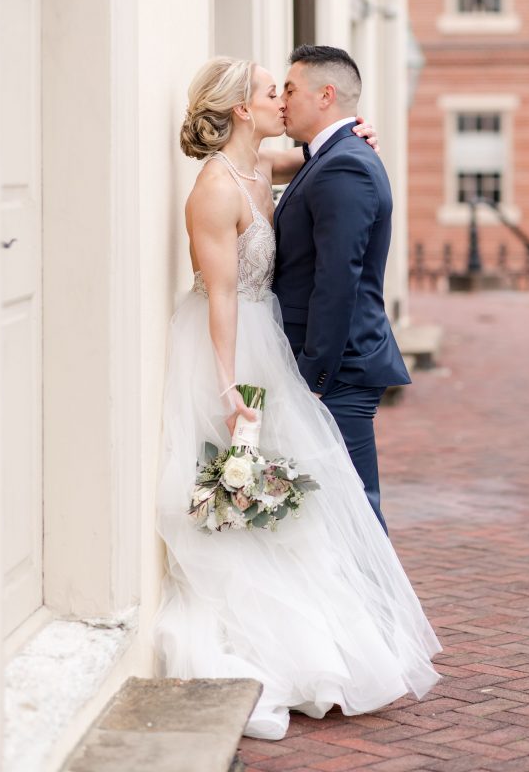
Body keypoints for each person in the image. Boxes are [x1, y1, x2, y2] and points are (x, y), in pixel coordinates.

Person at [153, 56, 441, 741]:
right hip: (232, 345)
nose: (279, 97)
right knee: (243, 490)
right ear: (242, 111)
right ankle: (271, 629)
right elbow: (221, 292)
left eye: (286, 88)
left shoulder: (263, 167)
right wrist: (228, 382)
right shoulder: (216, 189)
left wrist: (350, 134)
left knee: (296, 493)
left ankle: (335, 629)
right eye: (267, 90)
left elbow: (307, 161)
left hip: (273, 343)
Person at [274, 44, 411, 533]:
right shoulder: (331, 155)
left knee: (356, 515)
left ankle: (378, 612)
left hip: (340, 368)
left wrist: (314, 376)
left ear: (325, 94)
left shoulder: (345, 164)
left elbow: (338, 281)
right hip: (333, 365)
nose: (282, 99)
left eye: (290, 89)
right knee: (332, 512)